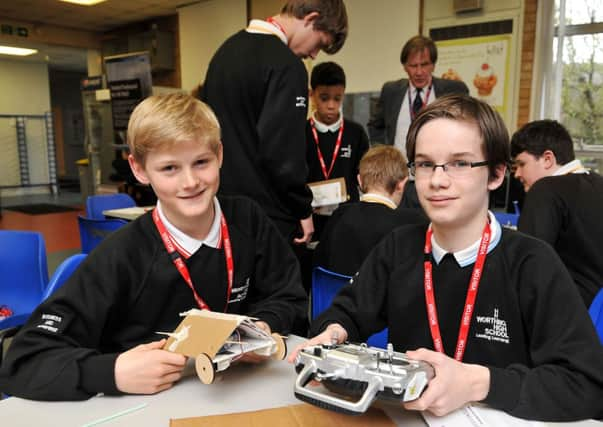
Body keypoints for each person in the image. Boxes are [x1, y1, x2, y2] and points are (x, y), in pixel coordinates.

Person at [290, 94, 603, 421]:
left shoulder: (533, 263)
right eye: (425, 164)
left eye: (460, 163)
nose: (438, 180)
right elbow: (350, 312)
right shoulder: (399, 247)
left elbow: (586, 385)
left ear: (496, 174)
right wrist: (334, 331)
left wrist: (481, 383)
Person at [0, 94, 307, 401]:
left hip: (242, 394)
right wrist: (113, 372)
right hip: (146, 406)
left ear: (220, 155)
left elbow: (288, 296)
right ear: (139, 169)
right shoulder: (120, 256)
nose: (190, 182)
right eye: (169, 168)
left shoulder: (248, 219)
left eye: (201, 162)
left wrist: (259, 328)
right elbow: (23, 362)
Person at [201, 0, 348, 245]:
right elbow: (282, 154)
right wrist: (301, 208)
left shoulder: (224, 53)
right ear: (311, 19)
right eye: (319, 44)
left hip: (221, 209)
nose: (313, 54)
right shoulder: (287, 66)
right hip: (267, 217)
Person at [367, 35, 469, 209]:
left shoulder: (453, 90)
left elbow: (466, 128)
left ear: (433, 65)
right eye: (413, 66)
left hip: (439, 179)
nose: (419, 72)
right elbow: (376, 125)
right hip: (401, 181)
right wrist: (384, 157)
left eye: (425, 64)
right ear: (405, 67)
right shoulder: (391, 91)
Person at [511, 119, 603, 306]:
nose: (517, 174)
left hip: (567, 317)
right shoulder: (598, 182)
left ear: (547, 159)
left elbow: (526, 264)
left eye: (521, 164)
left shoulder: (545, 189)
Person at [314, 145, 426, 276]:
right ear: (402, 184)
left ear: (359, 181)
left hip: (333, 295)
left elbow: (319, 265)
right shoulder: (412, 223)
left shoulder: (339, 215)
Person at [306, 61, 369, 239]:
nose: (331, 105)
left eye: (337, 98)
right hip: (311, 218)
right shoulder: (300, 132)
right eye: (324, 98)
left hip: (347, 218)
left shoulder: (355, 132)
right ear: (312, 95)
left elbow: (363, 176)